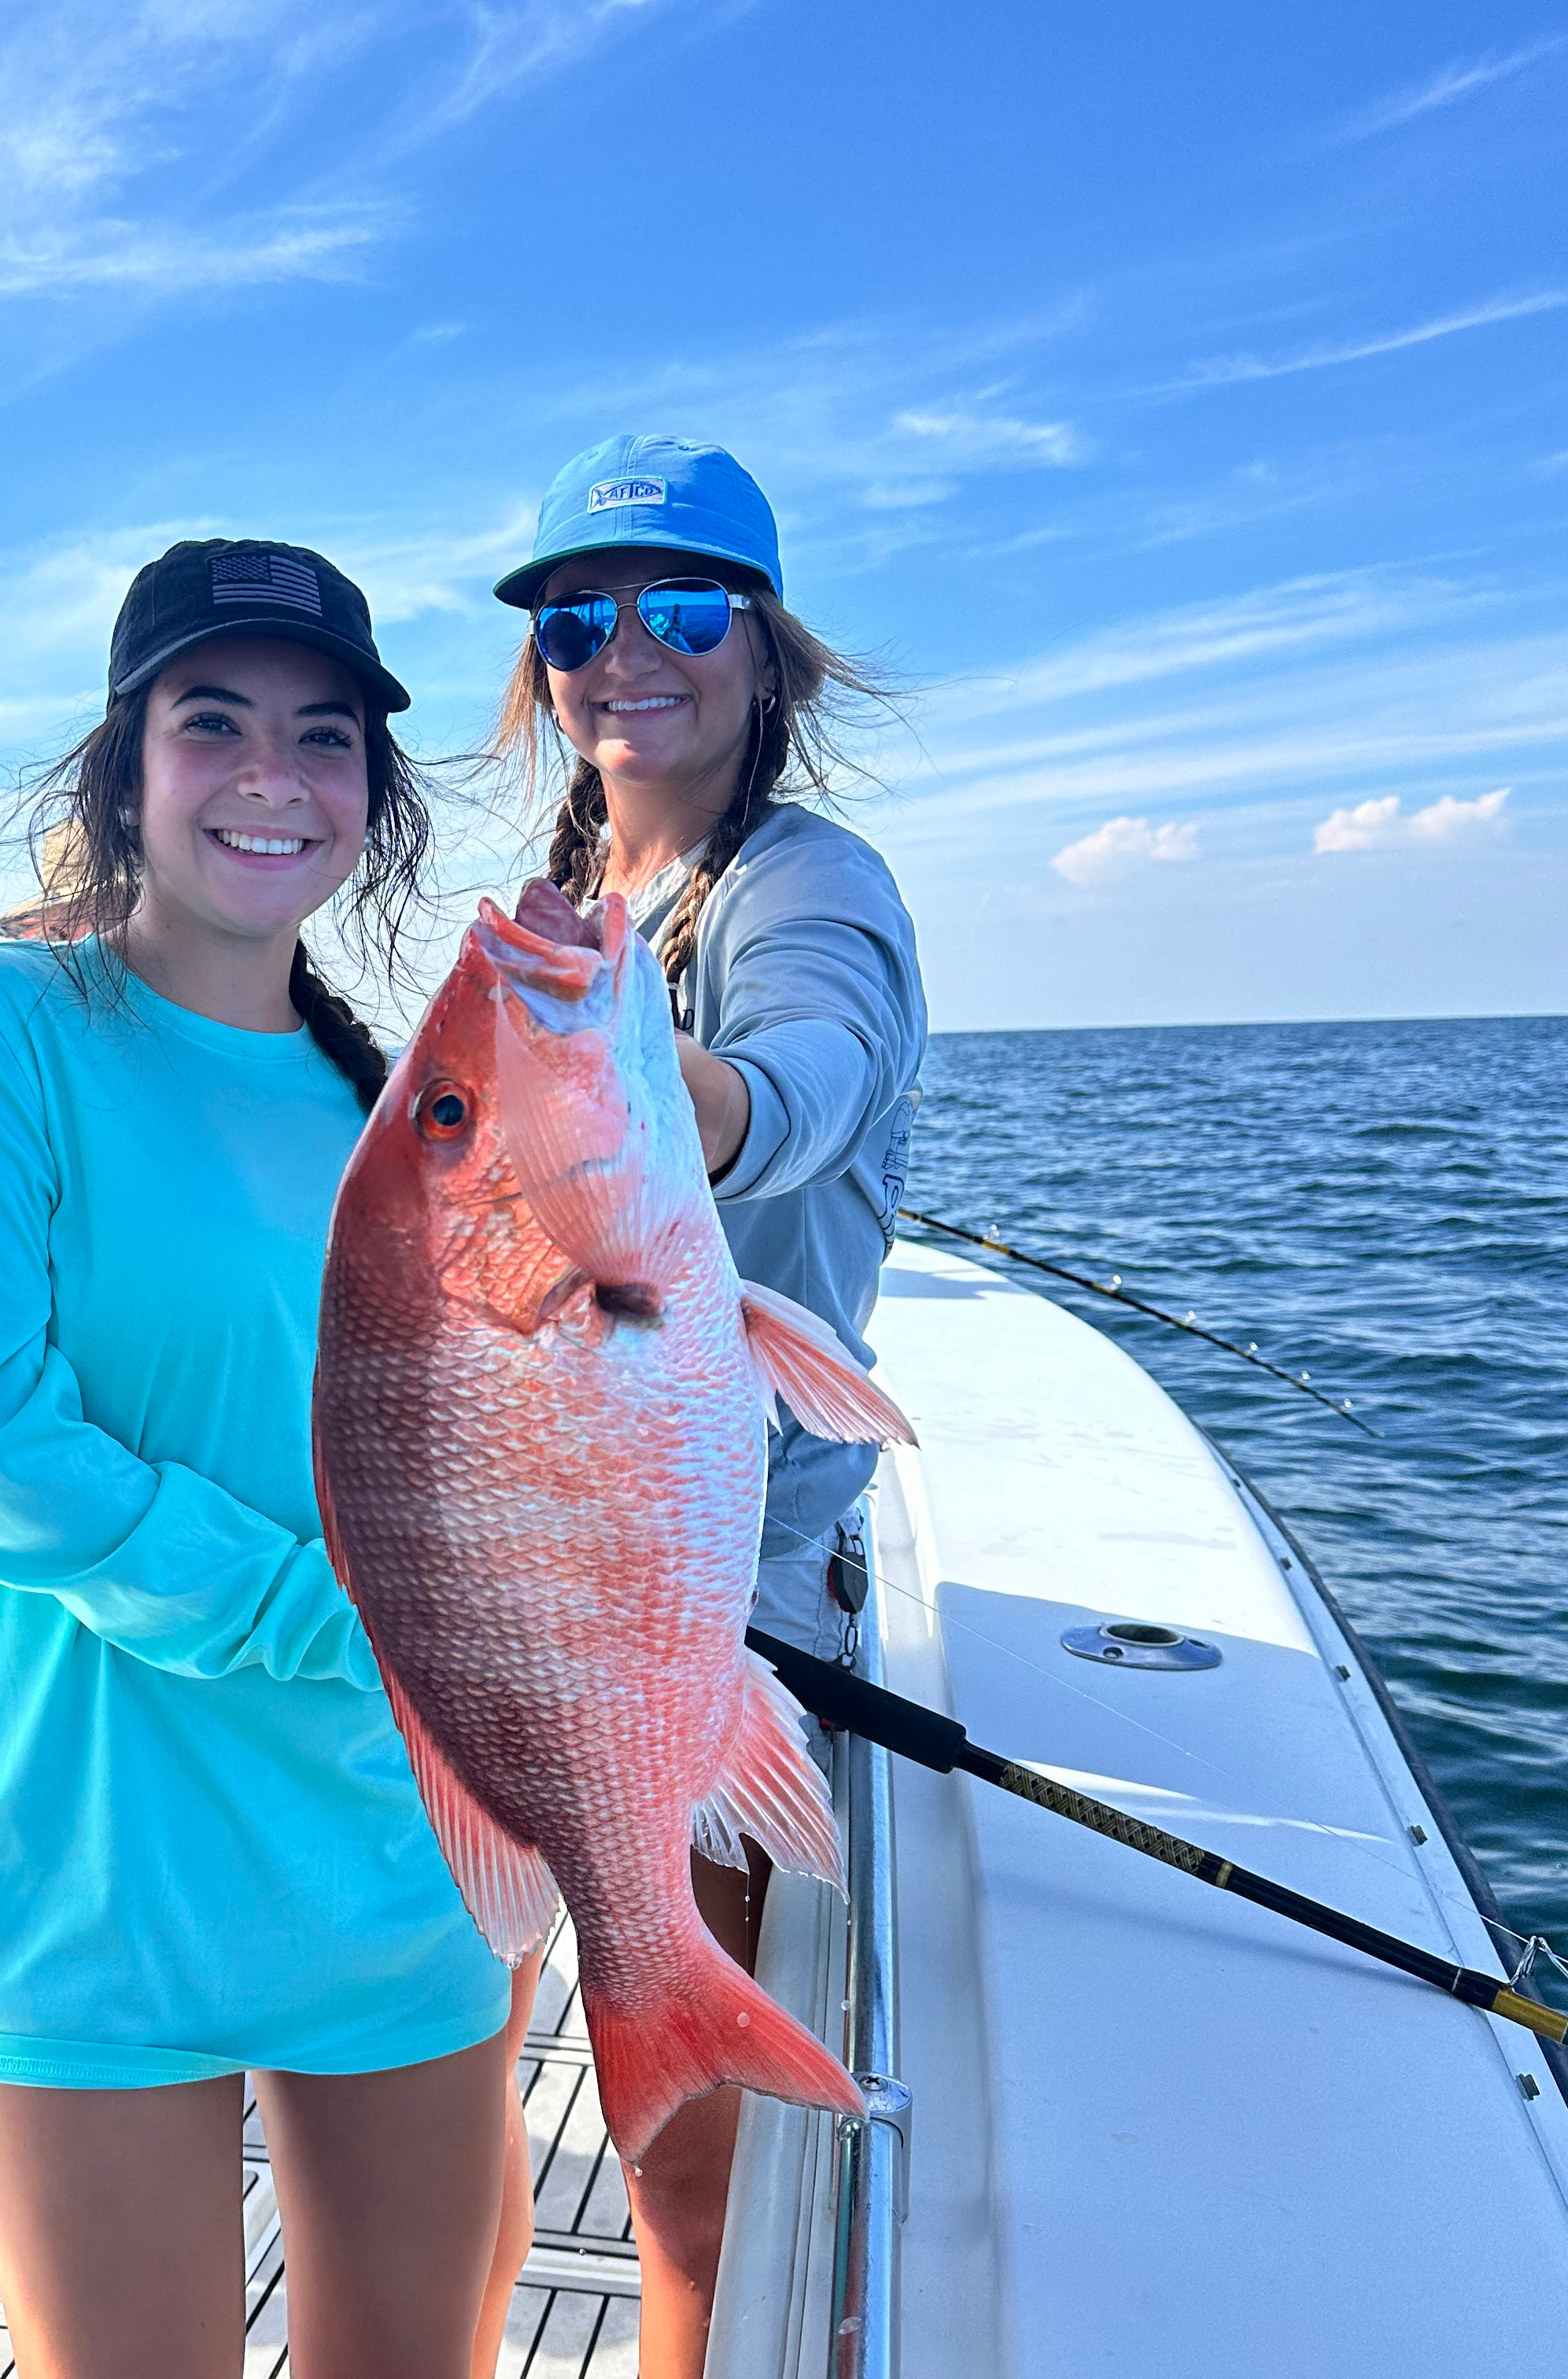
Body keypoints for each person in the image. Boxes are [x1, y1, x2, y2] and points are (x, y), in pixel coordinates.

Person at [0, 540, 518, 2379]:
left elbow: (483, 1440)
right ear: (124, 769)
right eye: (211, 723)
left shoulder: (401, 1109)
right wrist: (340, 1621)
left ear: (372, 797)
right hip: (92, 1874)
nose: (270, 776)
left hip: (391, 1860)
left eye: (324, 736)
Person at [487, 436, 928, 2376]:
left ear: (766, 651)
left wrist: (677, 1103)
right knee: (481, 2048)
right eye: (576, 621)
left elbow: (816, 1068)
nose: (626, 654)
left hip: (711, 1578)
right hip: (542, 1542)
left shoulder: (806, 883)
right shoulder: (575, 893)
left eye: (681, 608)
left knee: (676, 2152)